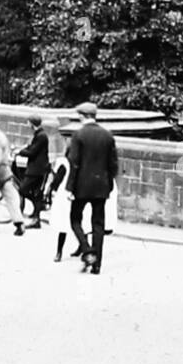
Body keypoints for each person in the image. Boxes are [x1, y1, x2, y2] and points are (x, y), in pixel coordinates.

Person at [66, 101, 119, 275]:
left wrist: (69, 188)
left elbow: (74, 163)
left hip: (81, 185)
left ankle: (87, 250)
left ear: (81, 116)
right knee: (98, 224)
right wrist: (109, 184)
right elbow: (113, 164)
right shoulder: (107, 135)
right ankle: (97, 265)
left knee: (75, 220)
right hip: (101, 186)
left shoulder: (79, 135)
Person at [16, 114, 50, 227]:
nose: (27, 124)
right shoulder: (39, 134)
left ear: (32, 123)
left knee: (23, 189)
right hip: (37, 168)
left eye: (28, 122)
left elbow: (32, 152)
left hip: (37, 169)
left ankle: (38, 210)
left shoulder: (41, 136)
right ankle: (36, 215)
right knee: (35, 192)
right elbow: (32, 147)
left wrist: (20, 152)